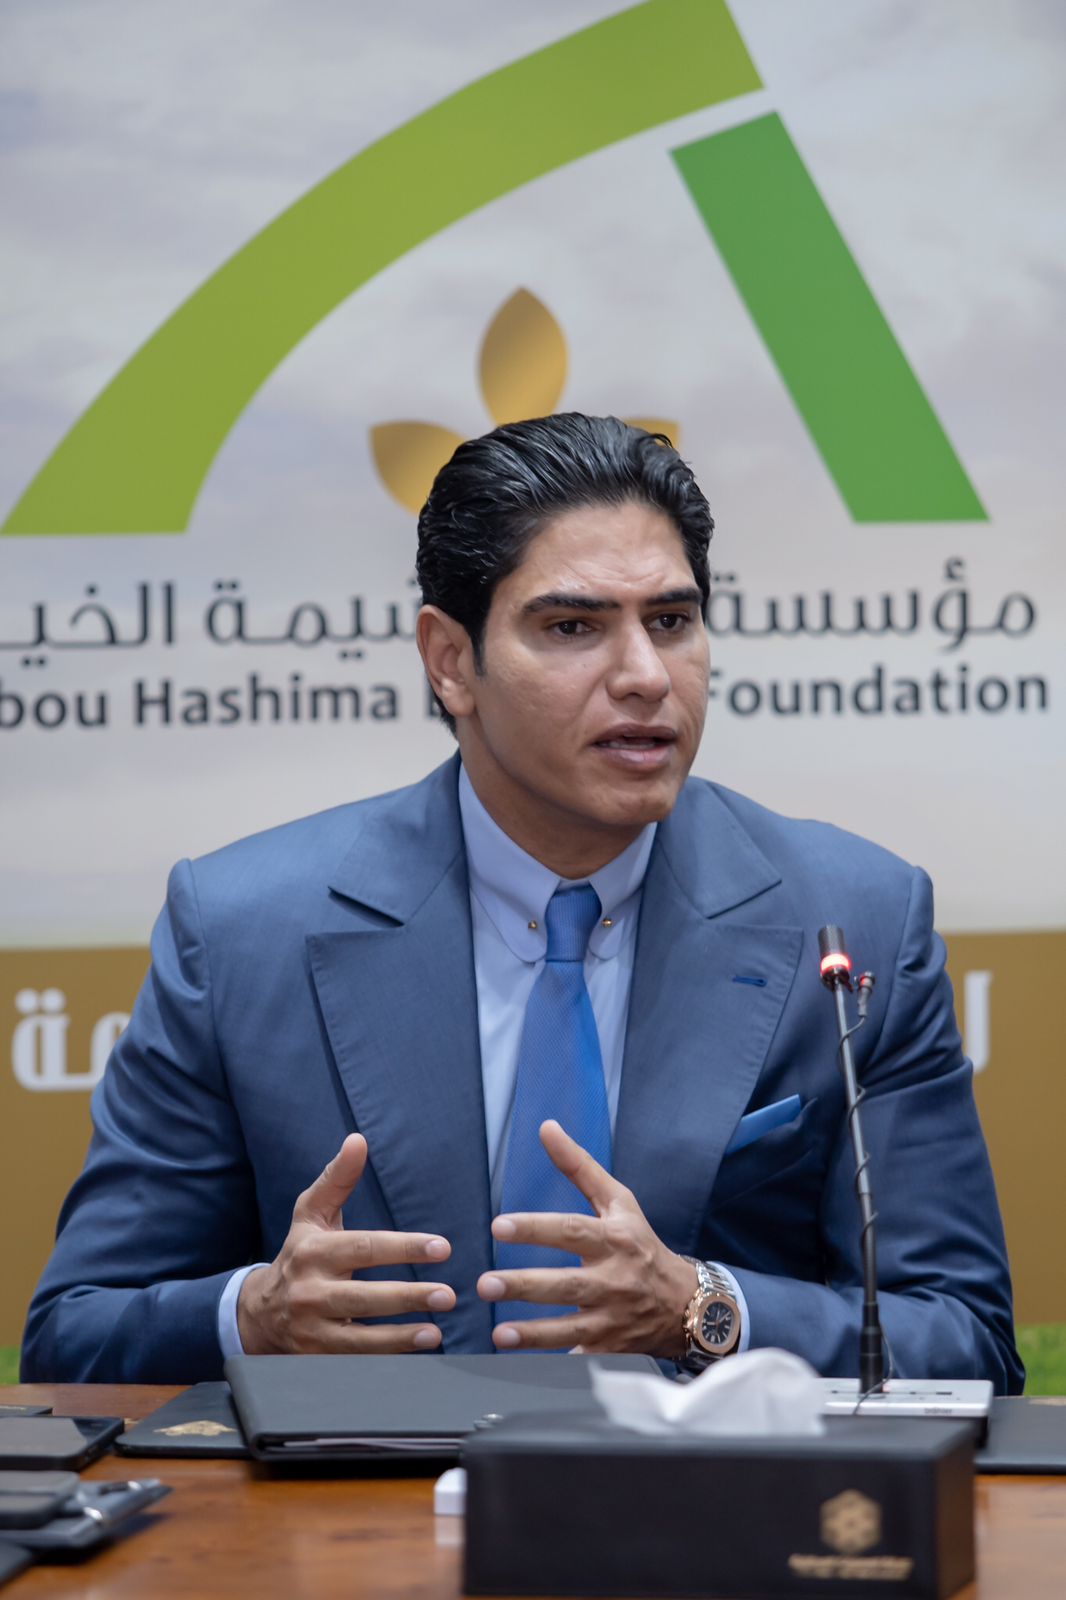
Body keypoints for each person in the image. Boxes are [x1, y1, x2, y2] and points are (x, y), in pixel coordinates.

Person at [22, 414, 1023, 1391]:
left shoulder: (855, 918)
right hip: (362, 1501)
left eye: (671, 622)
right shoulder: (241, 930)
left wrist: (706, 1308)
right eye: (573, 627)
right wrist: (254, 1315)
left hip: (712, 1499)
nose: (645, 676)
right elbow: (74, 1336)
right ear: (450, 661)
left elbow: (965, 1337)